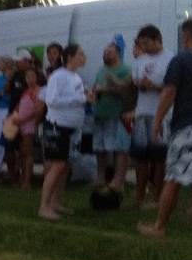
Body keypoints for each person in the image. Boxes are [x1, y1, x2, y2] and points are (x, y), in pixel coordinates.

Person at [139, 18, 192, 246]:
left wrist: (158, 120)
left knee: (174, 178)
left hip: (188, 127)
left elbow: (169, 92)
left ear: (186, 36)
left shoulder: (181, 60)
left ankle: (159, 227)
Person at [39, 44, 87, 220]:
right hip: (57, 126)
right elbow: (51, 100)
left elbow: (74, 100)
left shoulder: (75, 77)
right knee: (57, 165)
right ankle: (44, 206)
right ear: (69, 57)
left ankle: (56, 202)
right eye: (81, 54)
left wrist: (84, 99)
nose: (84, 57)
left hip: (72, 128)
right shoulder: (59, 76)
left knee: (65, 167)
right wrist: (80, 98)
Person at [130, 24, 173, 208]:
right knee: (140, 156)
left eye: (146, 43)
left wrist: (154, 86)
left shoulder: (171, 59)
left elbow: (174, 87)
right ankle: (139, 196)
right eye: (141, 44)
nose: (144, 47)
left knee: (159, 158)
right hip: (142, 112)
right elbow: (134, 81)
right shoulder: (140, 60)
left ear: (157, 39)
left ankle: (157, 198)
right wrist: (139, 84)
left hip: (162, 114)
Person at [90, 41, 132, 192]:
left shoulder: (125, 69)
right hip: (99, 113)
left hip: (116, 114)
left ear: (118, 53)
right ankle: (100, 177)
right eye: (105, 52)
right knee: (99, 147)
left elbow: (127, 91)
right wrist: (93, 93)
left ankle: (117, 179)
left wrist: (106, 89)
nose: (105, 54)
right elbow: (96, 87)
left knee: (117, 148)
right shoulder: (102, 70)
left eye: (109, 52)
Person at [12, 67, 44, 189]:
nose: (29, 79)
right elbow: (18, 107)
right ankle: (22, 178)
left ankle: (27, 181)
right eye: (27, 77)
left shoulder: (38, 91)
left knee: (28, 153)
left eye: (32, 76)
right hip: (21, 124)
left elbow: (37, 111)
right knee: (22, 153)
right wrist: (12, 118)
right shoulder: (25, 91)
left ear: (37, 78)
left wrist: (23, 120)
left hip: (29, 125)